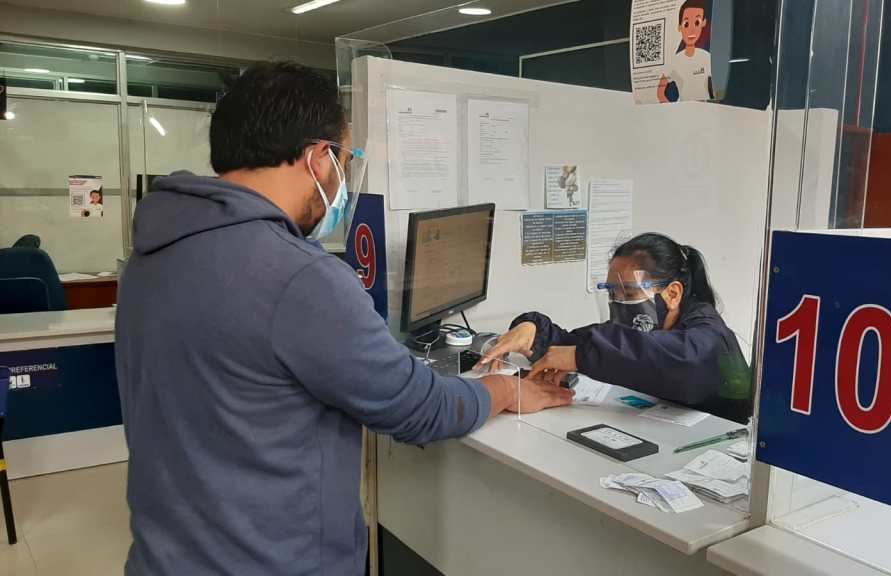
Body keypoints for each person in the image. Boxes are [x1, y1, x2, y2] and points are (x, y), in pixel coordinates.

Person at [115, 61, 572, 576]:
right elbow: (417, 407)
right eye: (345, 161)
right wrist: (508, 390)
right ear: (318, 157)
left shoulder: (151, 255)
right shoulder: (299, 276)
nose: (342, 182)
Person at [480, 233, 750, 423]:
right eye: (613, 294)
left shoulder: (709, 335)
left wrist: (582, 356)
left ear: (673, 293)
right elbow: (581, 345)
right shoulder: (641, 330)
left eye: (629, 294)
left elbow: (681, 360)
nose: (619, 303)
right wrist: (531, 330)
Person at [657, 0, 713, 103]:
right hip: (683, 109)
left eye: (697, 23)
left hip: (704, 109)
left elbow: (716, 89)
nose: (691, 30)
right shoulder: (674, 61)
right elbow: (660, 93)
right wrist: (671, 109)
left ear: (703, 23)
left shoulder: (706, 57)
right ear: (680, 27)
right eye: (686, 24)